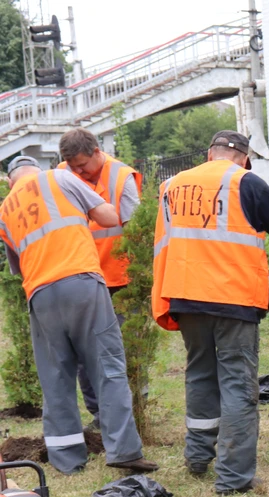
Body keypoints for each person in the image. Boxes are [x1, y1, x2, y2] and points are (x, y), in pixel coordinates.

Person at [152, 131, 269, 496]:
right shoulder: (244, 182)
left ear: (208, 153)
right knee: (237, 383)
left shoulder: (172, 186)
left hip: (185, 296)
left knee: (200, 374)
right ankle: (234, 478)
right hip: (233, 299)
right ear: (245, 159)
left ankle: (199, 457)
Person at [0, 156, 158, 475]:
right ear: (37, 169)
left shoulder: (4, 211)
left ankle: (66, 458)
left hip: (40, 294)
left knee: (55, 376)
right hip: (82, 281)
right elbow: (108, 215)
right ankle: (124, 450)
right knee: (107, 365)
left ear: (10, 181)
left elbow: (17, 266)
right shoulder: (58, 178)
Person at [58, 128, 143, 430]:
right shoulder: (60, 175)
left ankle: (133, 409)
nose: (78, 172)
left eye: (82, 165)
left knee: (124, 348)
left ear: (97, 152)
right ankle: (98, 415)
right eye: (72, 166)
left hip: (120, 278)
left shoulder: (121, 177)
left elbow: (135, 229)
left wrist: (141, 274)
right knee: (84, 350)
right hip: (79, 275)